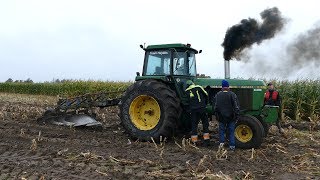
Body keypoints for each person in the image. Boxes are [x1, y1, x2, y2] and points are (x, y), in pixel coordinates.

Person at [213, 80, 240, 151]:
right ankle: (232, 147)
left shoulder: (218, 95)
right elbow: (236, 107)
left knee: (221, 131)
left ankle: (221, 145)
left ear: (222, 87)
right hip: (231, 117)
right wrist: (236, 116)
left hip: (221, 117)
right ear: (228, 86)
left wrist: (217, 116)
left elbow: (215, 107)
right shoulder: (232, 94)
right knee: (231, 132)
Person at [185, 80, 210, 146]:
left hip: (193, 110)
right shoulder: (199, 87)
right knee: (205, 124)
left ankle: (194, 141)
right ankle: (206, 141)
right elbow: (206, 94)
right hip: (202, 109)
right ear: (193, 83)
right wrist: (206, 104)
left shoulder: (186, 91)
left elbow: (186, 102)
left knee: (194, 125)